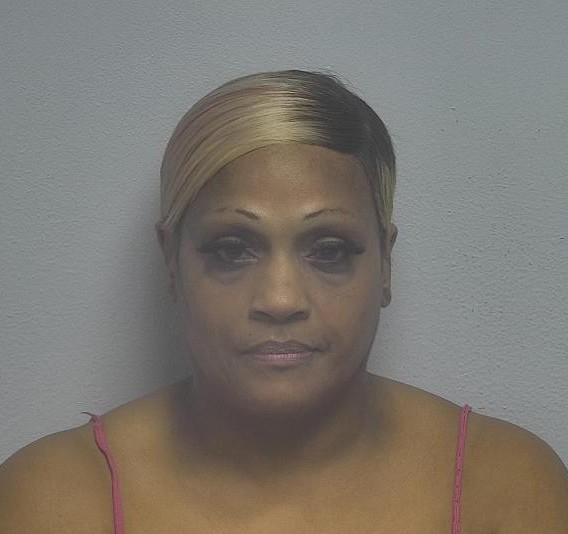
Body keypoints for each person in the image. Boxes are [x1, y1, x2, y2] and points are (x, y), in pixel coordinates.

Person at [1, 69, 567, 534]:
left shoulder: (507, 485)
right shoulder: (53, 497)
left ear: (385, 263)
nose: (279, 299)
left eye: (329, 250)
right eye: (231, 250)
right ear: (171, 263)